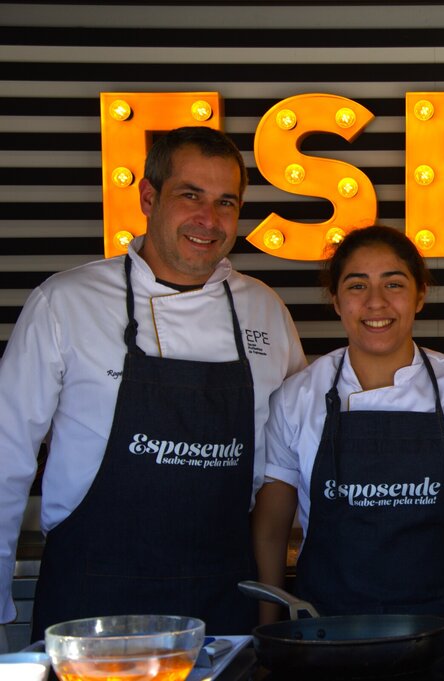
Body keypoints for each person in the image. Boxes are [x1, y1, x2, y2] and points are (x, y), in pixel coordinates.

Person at [0, 126, 306, 644]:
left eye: (226, 202)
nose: (208, 219)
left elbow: (296, 454)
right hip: (93, 598)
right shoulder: (66, 302)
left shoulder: (264, 309)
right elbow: (7, 454)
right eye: (191, 195)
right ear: (148, 197)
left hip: (224, 598)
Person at [252, 225, 444, 645]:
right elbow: (270, 530)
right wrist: (266, 633)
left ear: (420, 295)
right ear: (336, 300)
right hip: (326, 637)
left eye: (394, 284)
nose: (376, 302)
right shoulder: (297, 398)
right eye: (357, 285)